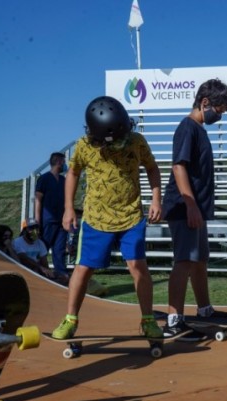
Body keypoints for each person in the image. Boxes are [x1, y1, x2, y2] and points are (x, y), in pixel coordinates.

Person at [50, 96, 163, 340]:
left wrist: (156, 199)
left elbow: (152, 168)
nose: (120, 143)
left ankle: (148, 320)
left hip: (130, 216)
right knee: (83, 269)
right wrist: (68, 208)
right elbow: (73, 174)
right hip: (96, 218)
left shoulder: (137, 142)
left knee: (138, 267)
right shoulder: (84, 146)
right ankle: (70, 319)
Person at [161, 79, 227, 339]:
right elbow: (178, 166)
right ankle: (173, 320)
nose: (220, 115)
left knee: (200, 259)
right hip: (184, 207)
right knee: (184, 260)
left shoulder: (199, 129)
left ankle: (205, 310)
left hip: (196, 210)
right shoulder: (187, 128)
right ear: (205, 103)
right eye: (220, 110)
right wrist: (191, 204)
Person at [35, 152, 69, 280]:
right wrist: (38, 221)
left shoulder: (63, 181)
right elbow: (38, 200)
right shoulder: (44, 179)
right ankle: (39, 273)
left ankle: (62, 276)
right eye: (64, 161)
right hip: (47, 221)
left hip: (61, 221)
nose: (65, 164)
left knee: (59, 250)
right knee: (43, 249)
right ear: (58, 162)